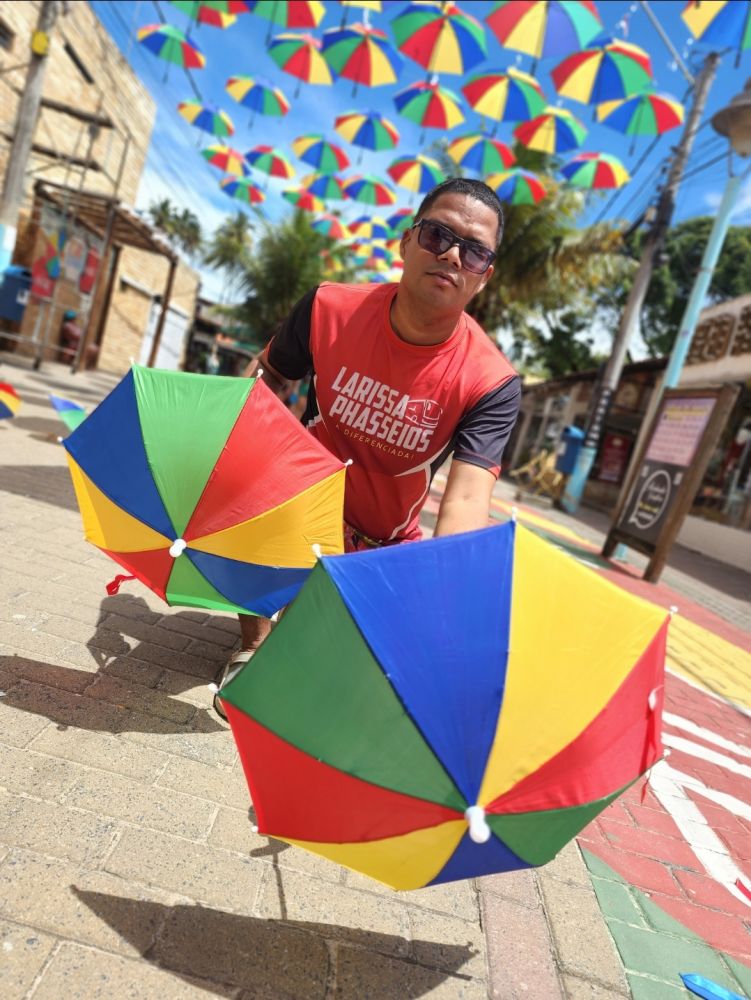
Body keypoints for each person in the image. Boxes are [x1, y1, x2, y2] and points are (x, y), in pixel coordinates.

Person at [213, 178, 521, 713]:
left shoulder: (491, 381)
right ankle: (254, 643)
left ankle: (318, 625)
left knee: (355, 687)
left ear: (483, 277)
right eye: (437, 234)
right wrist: (232, 449)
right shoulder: (329, 308)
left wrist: (443, 594)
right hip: (296, 507)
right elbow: (266, 378)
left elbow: (468, 500)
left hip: (382, 545)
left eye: (473, 250)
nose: (451, 254)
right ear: (406, 241)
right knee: (246, 469)